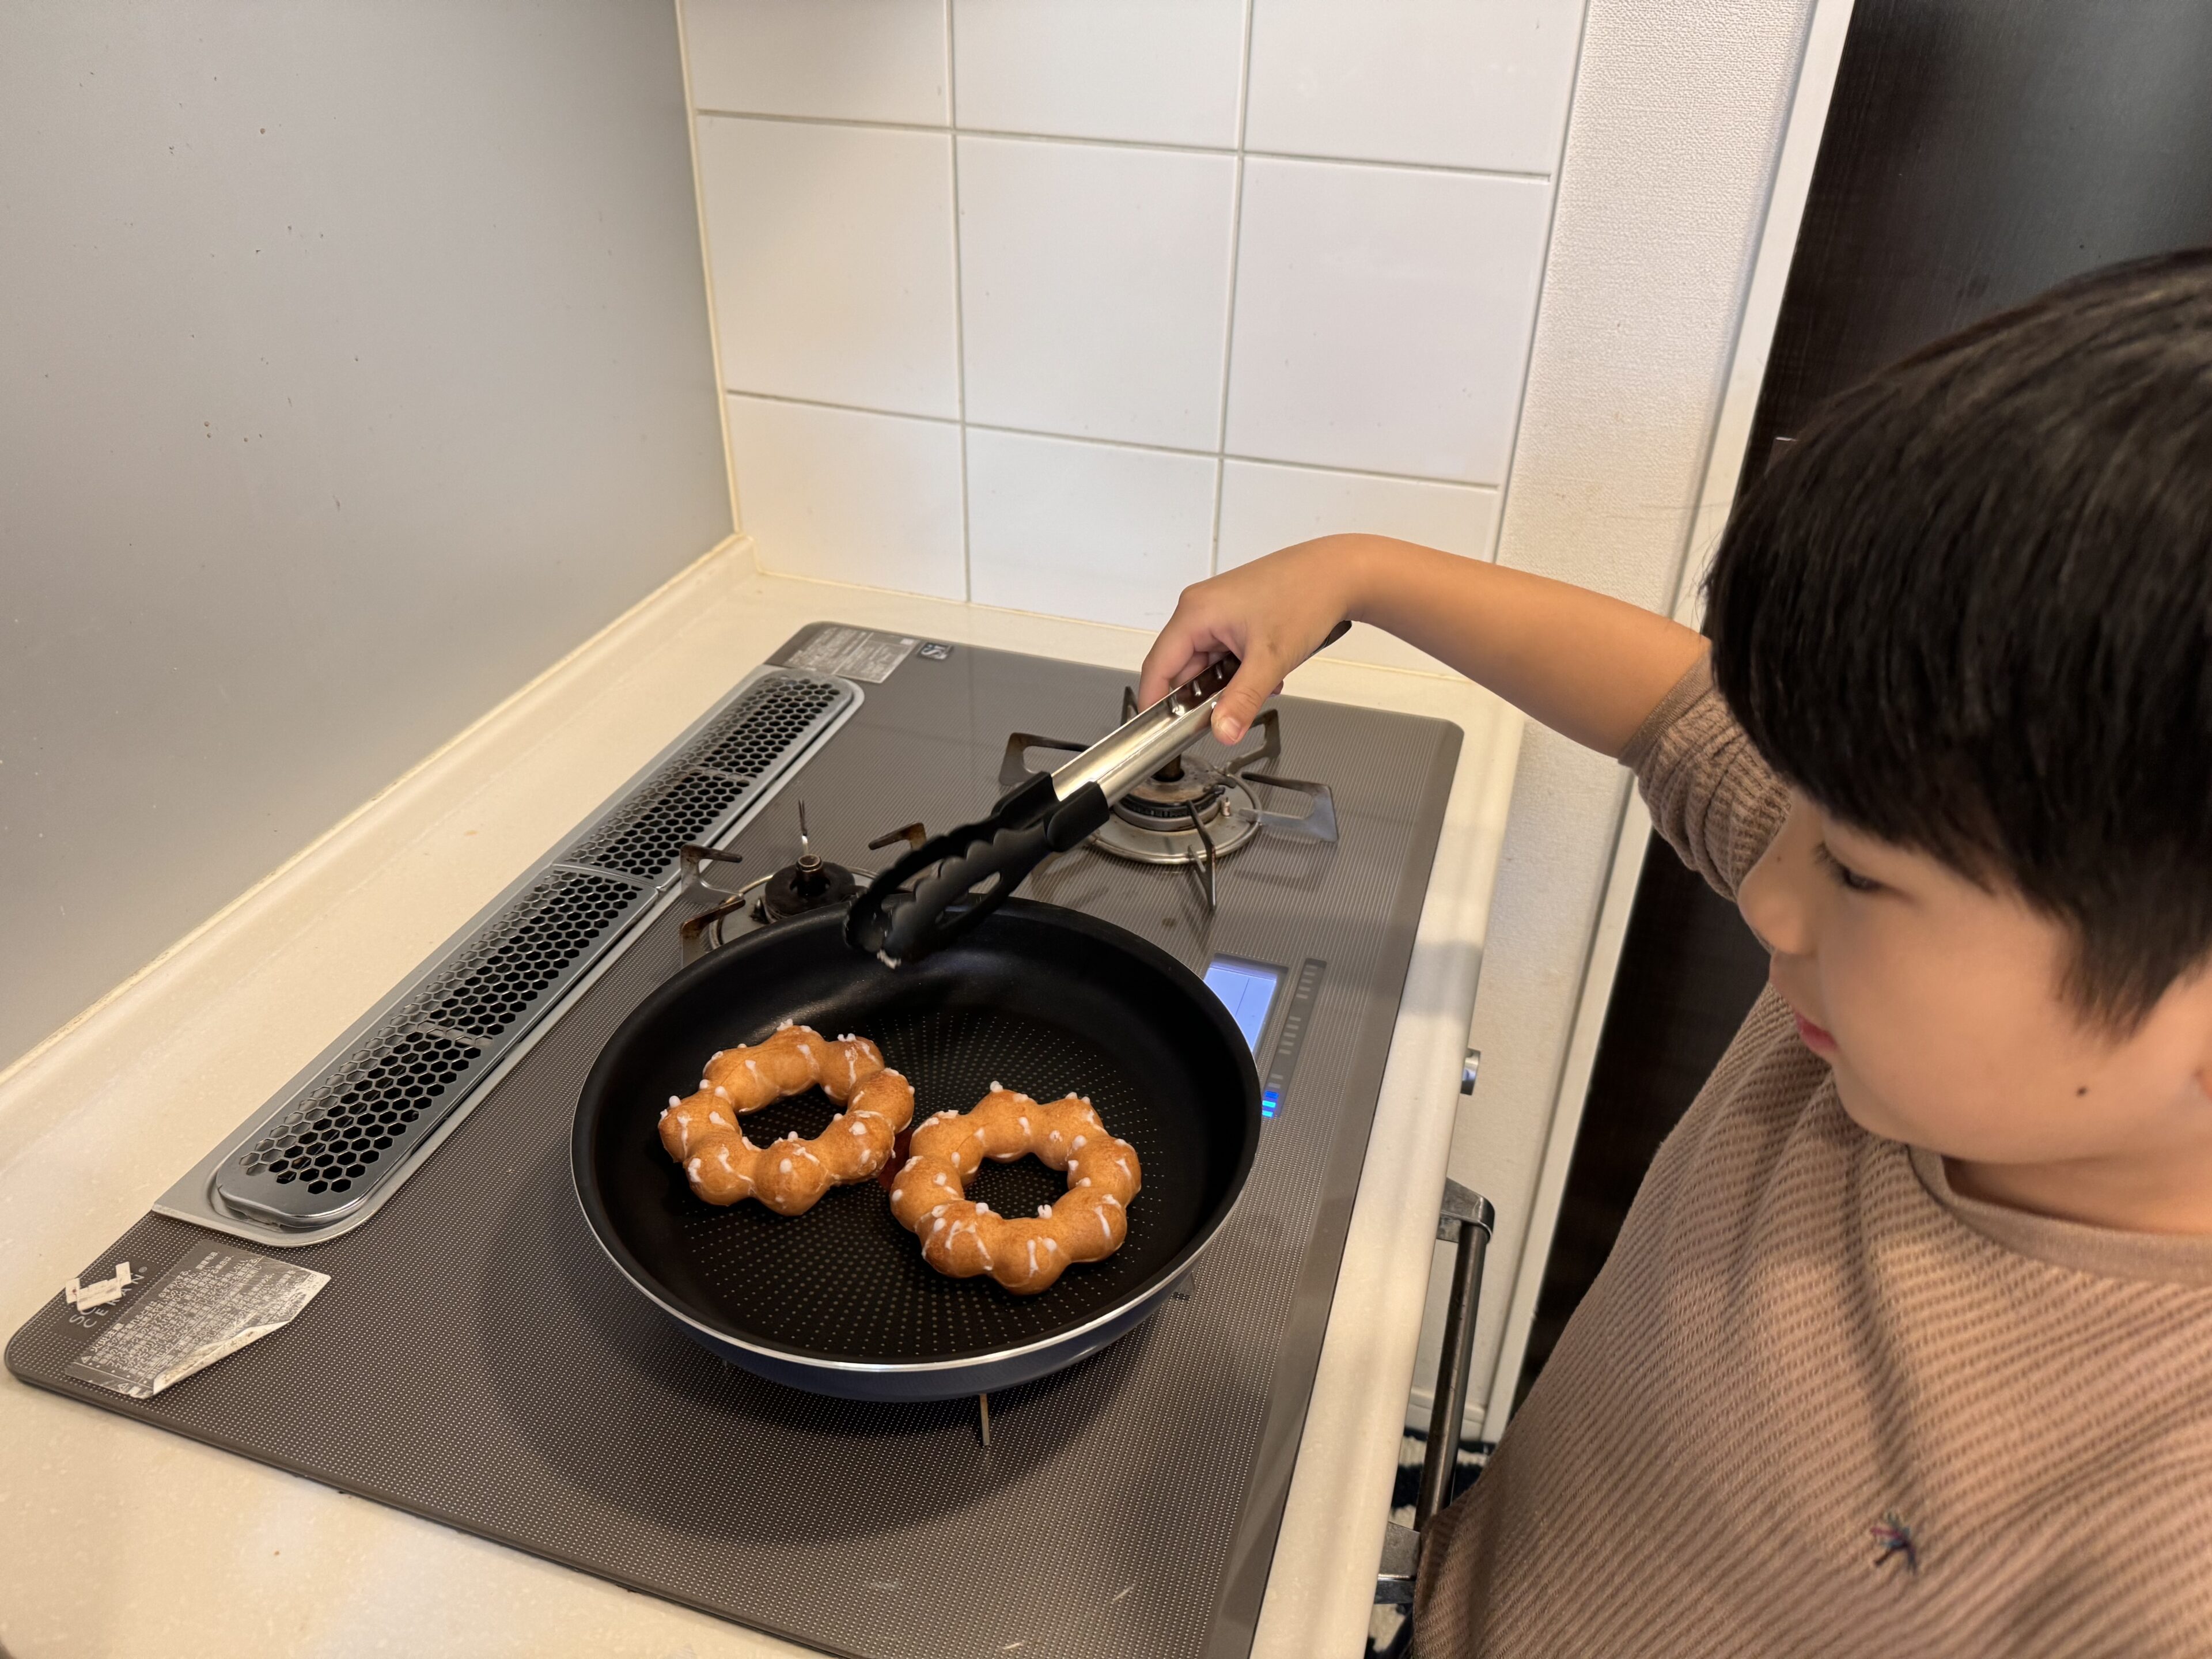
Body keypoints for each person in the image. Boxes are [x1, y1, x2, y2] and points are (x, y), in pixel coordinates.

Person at [1138, 251, 2212, 1656]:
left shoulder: (2167, 1546)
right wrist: (1356, 574)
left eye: (1859, 872)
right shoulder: (1926, 965)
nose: (1770, 891)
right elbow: (1671, 704)